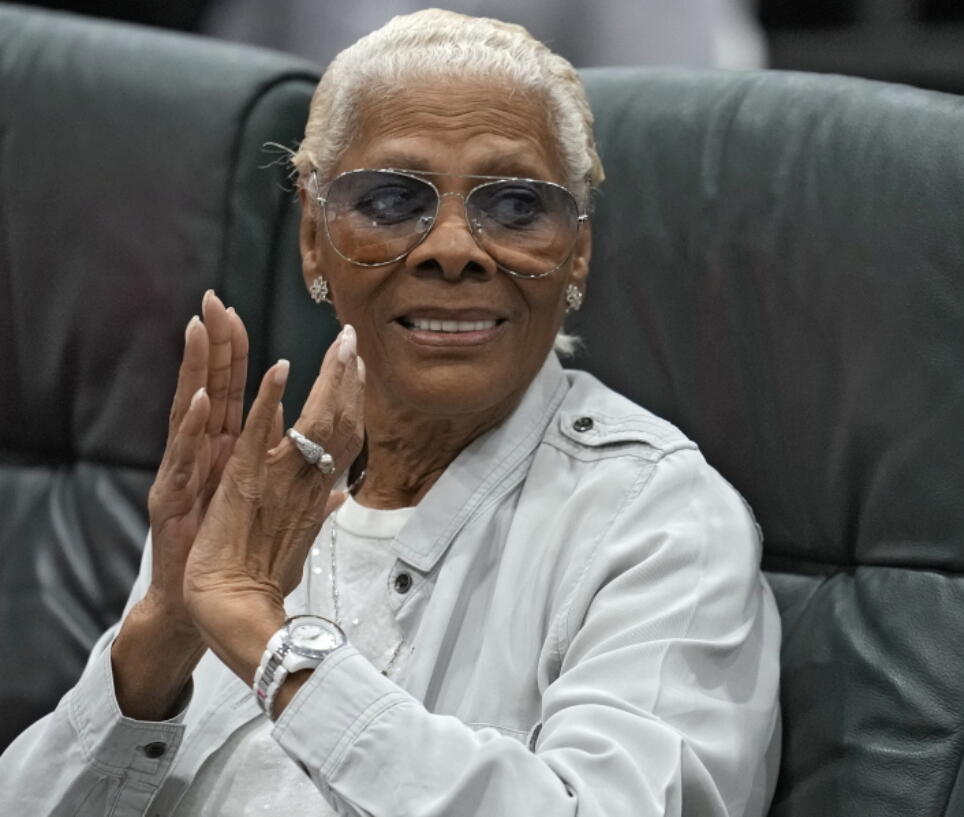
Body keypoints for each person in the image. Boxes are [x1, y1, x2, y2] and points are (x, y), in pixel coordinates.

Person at [0, 11, 781, 817]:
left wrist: (272, 645)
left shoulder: (658, 522)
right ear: (313, 240)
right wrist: (161, 633)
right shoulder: (253, 498)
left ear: (576, 250)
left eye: (515, 206)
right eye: (391, 200)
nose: (453, 246)